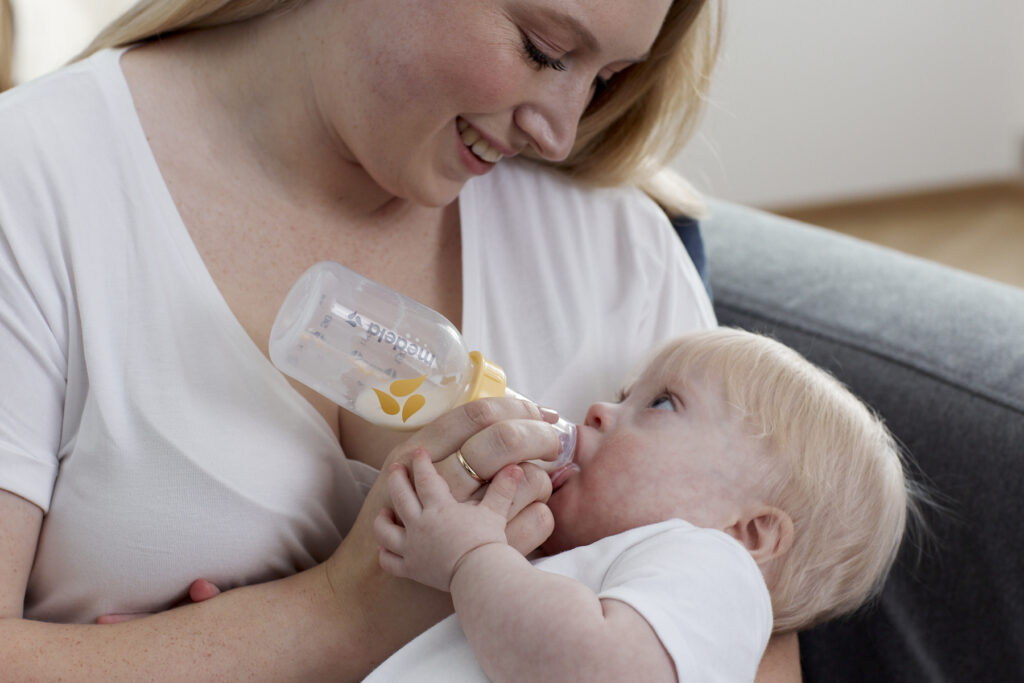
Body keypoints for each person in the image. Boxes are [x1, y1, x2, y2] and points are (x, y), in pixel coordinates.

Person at [0, 0, 802, 679]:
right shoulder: (36, 189)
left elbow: (746, 625)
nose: (561, 132)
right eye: (543, 49)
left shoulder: (615, 245)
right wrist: (340, 614)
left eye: (607, 78)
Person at [370, 328, 916, 681]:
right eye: (624, 393)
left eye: (660, 402)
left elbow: (586, 668)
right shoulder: (611, 574)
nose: (600, 410)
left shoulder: (715, 570)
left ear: (748, 533)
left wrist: (470, 557)